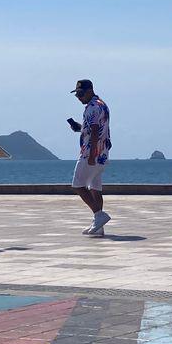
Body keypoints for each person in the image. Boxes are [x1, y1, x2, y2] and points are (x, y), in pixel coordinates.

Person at [67, 79, 112, 236]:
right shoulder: (101, 104)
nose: (79, 97)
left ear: (90, 90)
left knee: (78, 185)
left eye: (80, 93)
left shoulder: (92, 107)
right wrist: (79, 128)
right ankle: (98, 227)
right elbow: (94, 128)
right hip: (103, 153)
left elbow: (94, 131)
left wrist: (92, 154)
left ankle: (99, 216)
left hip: (90, 153)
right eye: (77, 94)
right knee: (95, 188)